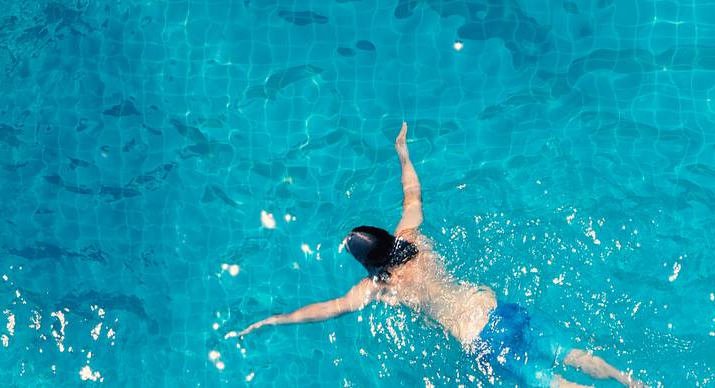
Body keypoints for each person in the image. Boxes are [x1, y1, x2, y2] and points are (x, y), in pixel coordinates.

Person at [227, 124, 648, 388]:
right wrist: (403, 153)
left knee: (551, 383)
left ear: (369, 264)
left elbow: (328, 309)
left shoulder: (379, 286)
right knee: (573, 355)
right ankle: (631, 382)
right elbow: (413, 192)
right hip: (496, 308)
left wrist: (274, 319)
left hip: (478, 339)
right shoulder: (412, 237)